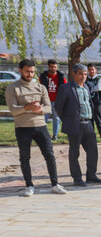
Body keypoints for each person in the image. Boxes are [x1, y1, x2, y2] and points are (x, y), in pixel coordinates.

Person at [6, 59, 66, 196]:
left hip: (41, 126)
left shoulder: (40, 87)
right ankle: (29, 186)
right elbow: (13, 110)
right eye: (27, 71)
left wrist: (40, 109)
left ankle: (55, 184)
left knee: (50, 155)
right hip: (22, 127)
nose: (30, 74)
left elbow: (49, 107)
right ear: (20, 70)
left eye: (32, 71)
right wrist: (28, 107)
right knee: (25, 157)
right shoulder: (13, 88)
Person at [55, 64, 101, 186]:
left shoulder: (87, 87)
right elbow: (58, 107)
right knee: (74, 153)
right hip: (75, 125)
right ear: (74, 74)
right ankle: (77, 178)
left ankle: (91, 175)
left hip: (88, 124)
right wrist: (68, 120)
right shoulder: (66, 88)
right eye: (80, 74)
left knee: (93, 151)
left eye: (85, 74)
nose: (83, 76)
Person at [39, 59, 66, 140]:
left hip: (57, 100)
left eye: (55, 67)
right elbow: (40, 87)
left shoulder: (61, 77)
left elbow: (64, 88)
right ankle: (43, 135)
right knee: (44, 118)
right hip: (46, 100)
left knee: (56, 118)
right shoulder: (43, 76)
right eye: (51, 67)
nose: (53, 68)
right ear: (48, 66)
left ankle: (55, 135)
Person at [86, 64, 101, 145]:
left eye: (93, 69)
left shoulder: (99, 79)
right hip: (88, 102)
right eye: (89, 69)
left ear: (96, 70)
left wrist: (88, 89)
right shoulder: (86, 79)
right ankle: (92, 139)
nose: (91, 71)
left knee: (98, 120)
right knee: (90, 120)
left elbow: (98, 88)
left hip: (97, 102)